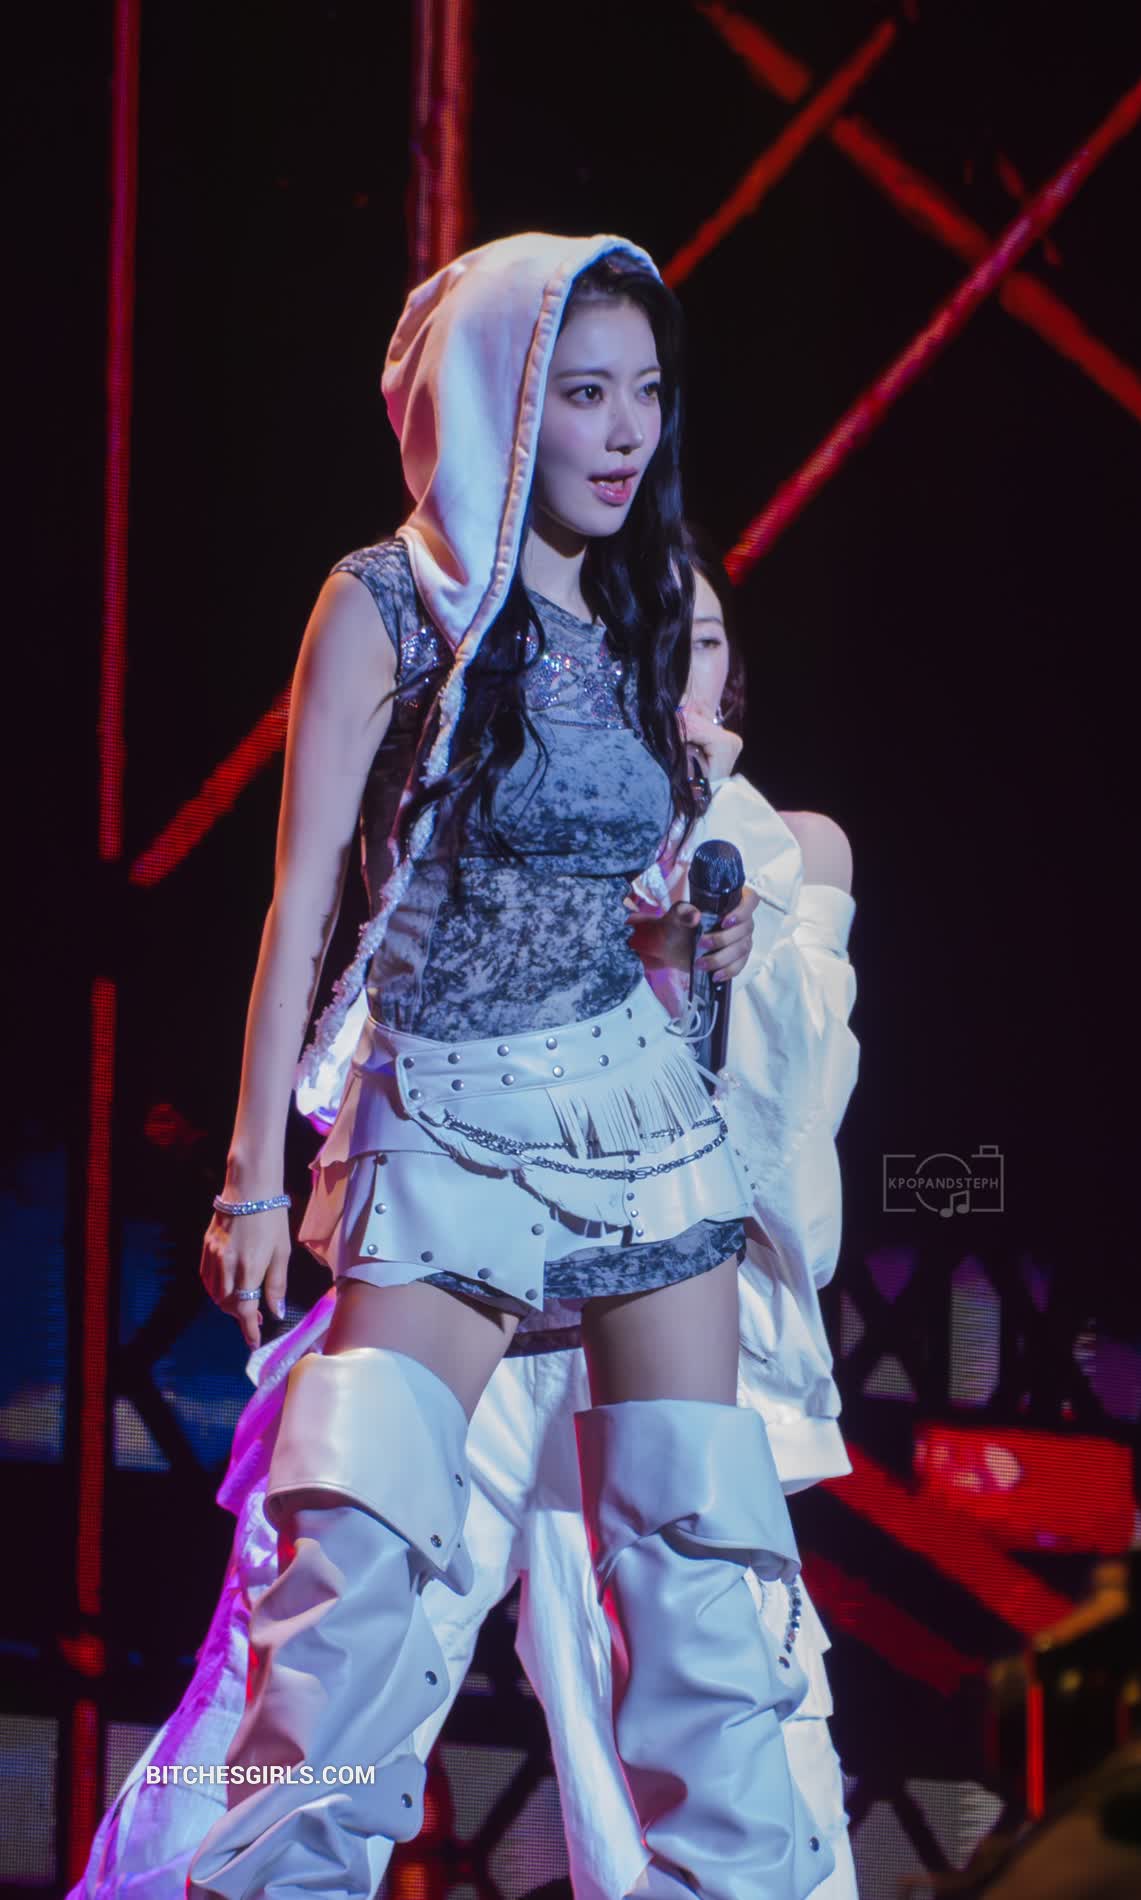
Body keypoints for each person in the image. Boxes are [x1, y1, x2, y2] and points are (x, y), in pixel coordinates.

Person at [164, 232, 834, 1900]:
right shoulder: (387, 602)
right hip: (446, 1120)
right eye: (584, 393)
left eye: (646, 394)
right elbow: (302, 904)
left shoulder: (645, 600)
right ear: (496, 403)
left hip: (636, 1111)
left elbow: (621, 888)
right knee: (348, 1592)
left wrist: (688, 941)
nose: (626, 431)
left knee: (699, 1574)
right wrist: (254, 1178)